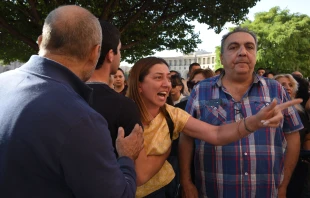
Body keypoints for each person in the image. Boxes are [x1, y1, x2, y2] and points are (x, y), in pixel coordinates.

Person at [0, 5, 144, 198]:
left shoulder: (3, 82)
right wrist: (126, 157)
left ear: (41, 41)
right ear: (96, 52)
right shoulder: (82, 119)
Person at [126, 56, 301, 198]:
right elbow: (140, 175)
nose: (167, 84)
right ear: (139, 84)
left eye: (168, 78)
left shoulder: (172, 114)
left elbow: (216, 134)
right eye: (158, 77)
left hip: (166, 191)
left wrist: (253, 122)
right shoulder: (122, 113)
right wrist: (165, 152)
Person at [179, 27, 303, 198]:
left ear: (255, 55)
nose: (243, 52)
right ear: (222, 58)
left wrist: (283, 184)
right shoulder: (201, 91)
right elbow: (187, 137)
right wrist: (186, 181)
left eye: (249, 47)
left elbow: (292, 135)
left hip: (266, 190)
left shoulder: (275, 89)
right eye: (233, 47)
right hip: (213, 190)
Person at [87, 20, 142, 157]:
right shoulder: (125, 106)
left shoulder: (59, 97)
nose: (120, 55)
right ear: (110, 55)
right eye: (119, 50)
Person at [274, 74, 310, 197]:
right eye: (283, 84)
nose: (287, 87)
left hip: (298, 165)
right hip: (277, 165)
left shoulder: (300, 110)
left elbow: (306, 135)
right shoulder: (269, 112)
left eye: (290, 85)